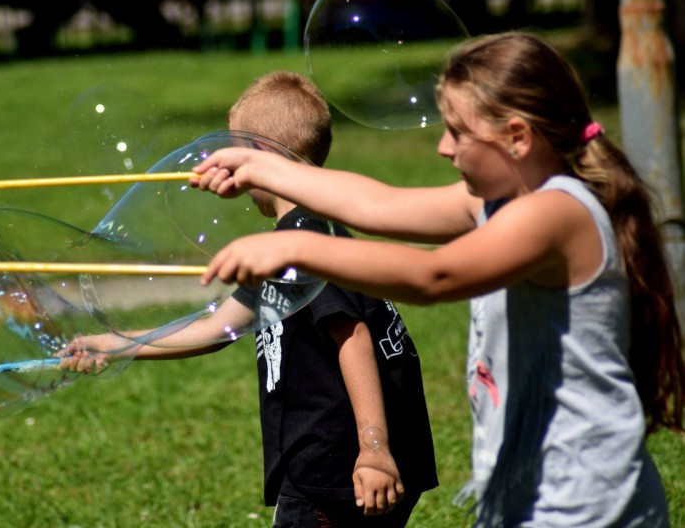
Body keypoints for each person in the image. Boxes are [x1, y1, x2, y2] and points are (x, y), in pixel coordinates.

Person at [190, 33, 685, 526]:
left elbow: (435, 276)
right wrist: (259, 165)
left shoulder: (556, 213)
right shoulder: (495, 205)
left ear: (517, 136)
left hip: (588, 505)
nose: (443, 147)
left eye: (458, 131)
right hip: (530, 494)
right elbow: (374, 204)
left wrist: (294, 246)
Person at [59, 71, 438, 526]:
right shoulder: (300, 236)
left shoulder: (308, 238)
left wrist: (373, 447)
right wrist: (117, 343)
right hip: (343, 463)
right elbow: (216, 327)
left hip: (335, 468)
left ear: (261, 155)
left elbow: (351, 334)